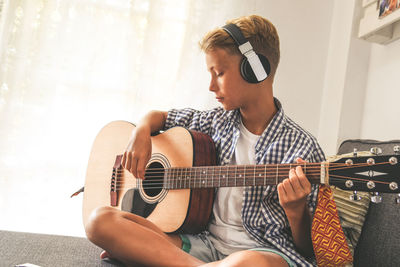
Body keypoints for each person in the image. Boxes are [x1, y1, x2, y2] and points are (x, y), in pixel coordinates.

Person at [85, 14, 325, 267]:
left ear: (256, 70)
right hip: (201, 246)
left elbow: (309, 250)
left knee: (244, 263)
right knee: (98, 221)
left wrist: (297, 211)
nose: (211, 86)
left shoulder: (303, 147)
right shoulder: (213, 122)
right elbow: (159, 117)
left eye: (219, 73)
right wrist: (141, 131)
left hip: (263, 254)